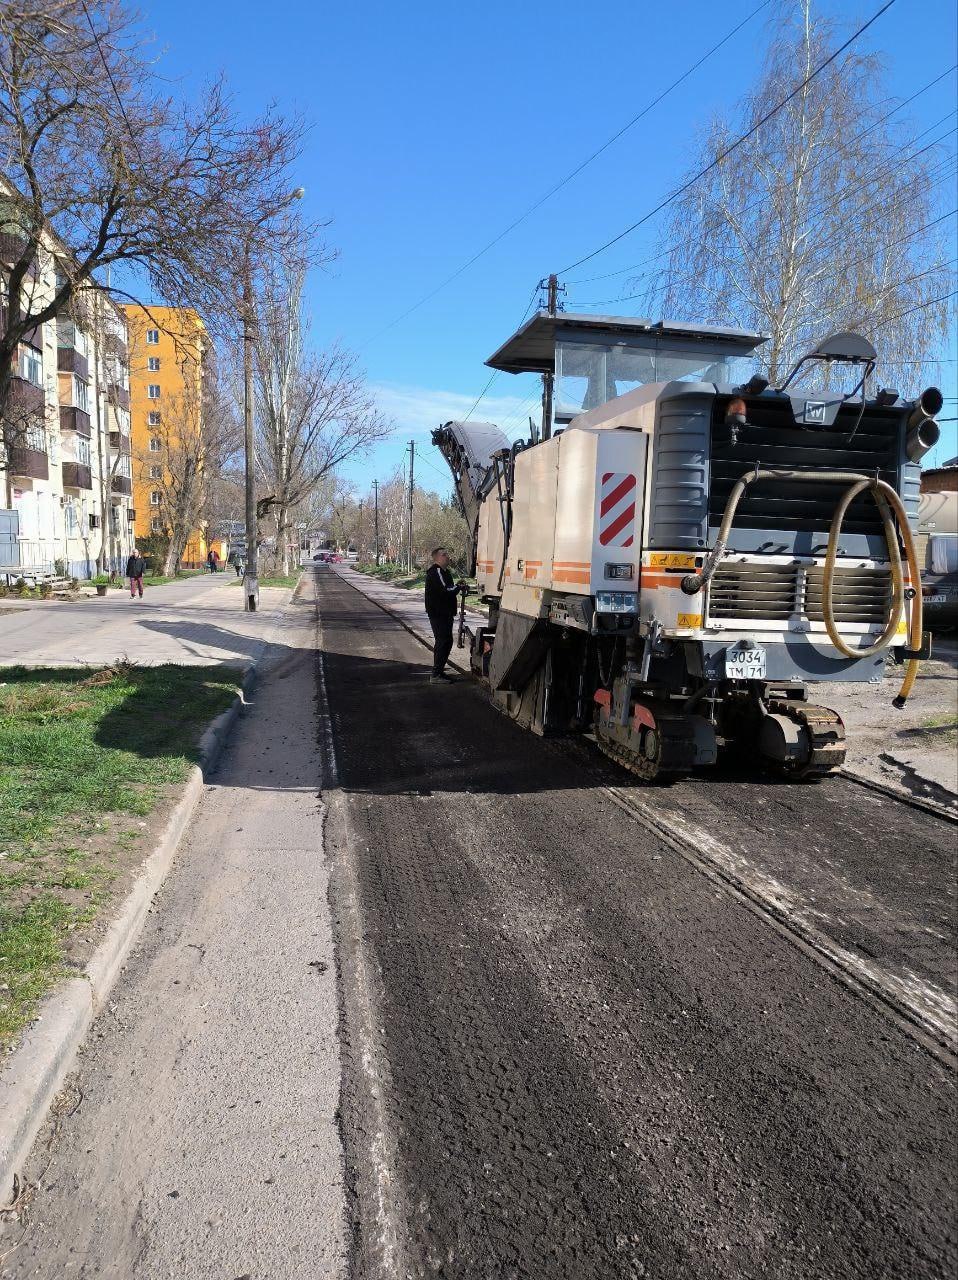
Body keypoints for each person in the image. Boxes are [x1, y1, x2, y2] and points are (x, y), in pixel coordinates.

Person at [424, 547, 465, 683]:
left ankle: (439, 672)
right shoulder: (436, 571)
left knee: (446, 641)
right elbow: (446, 590)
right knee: (443, 641)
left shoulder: (445, 572)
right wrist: (459, 587)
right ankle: (436, 675)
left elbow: (448, 588)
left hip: (445, 612)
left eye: (447, 554)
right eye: (444, 554)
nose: (447, 556)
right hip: (439, 613)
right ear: (437, 558)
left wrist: (457, 586)